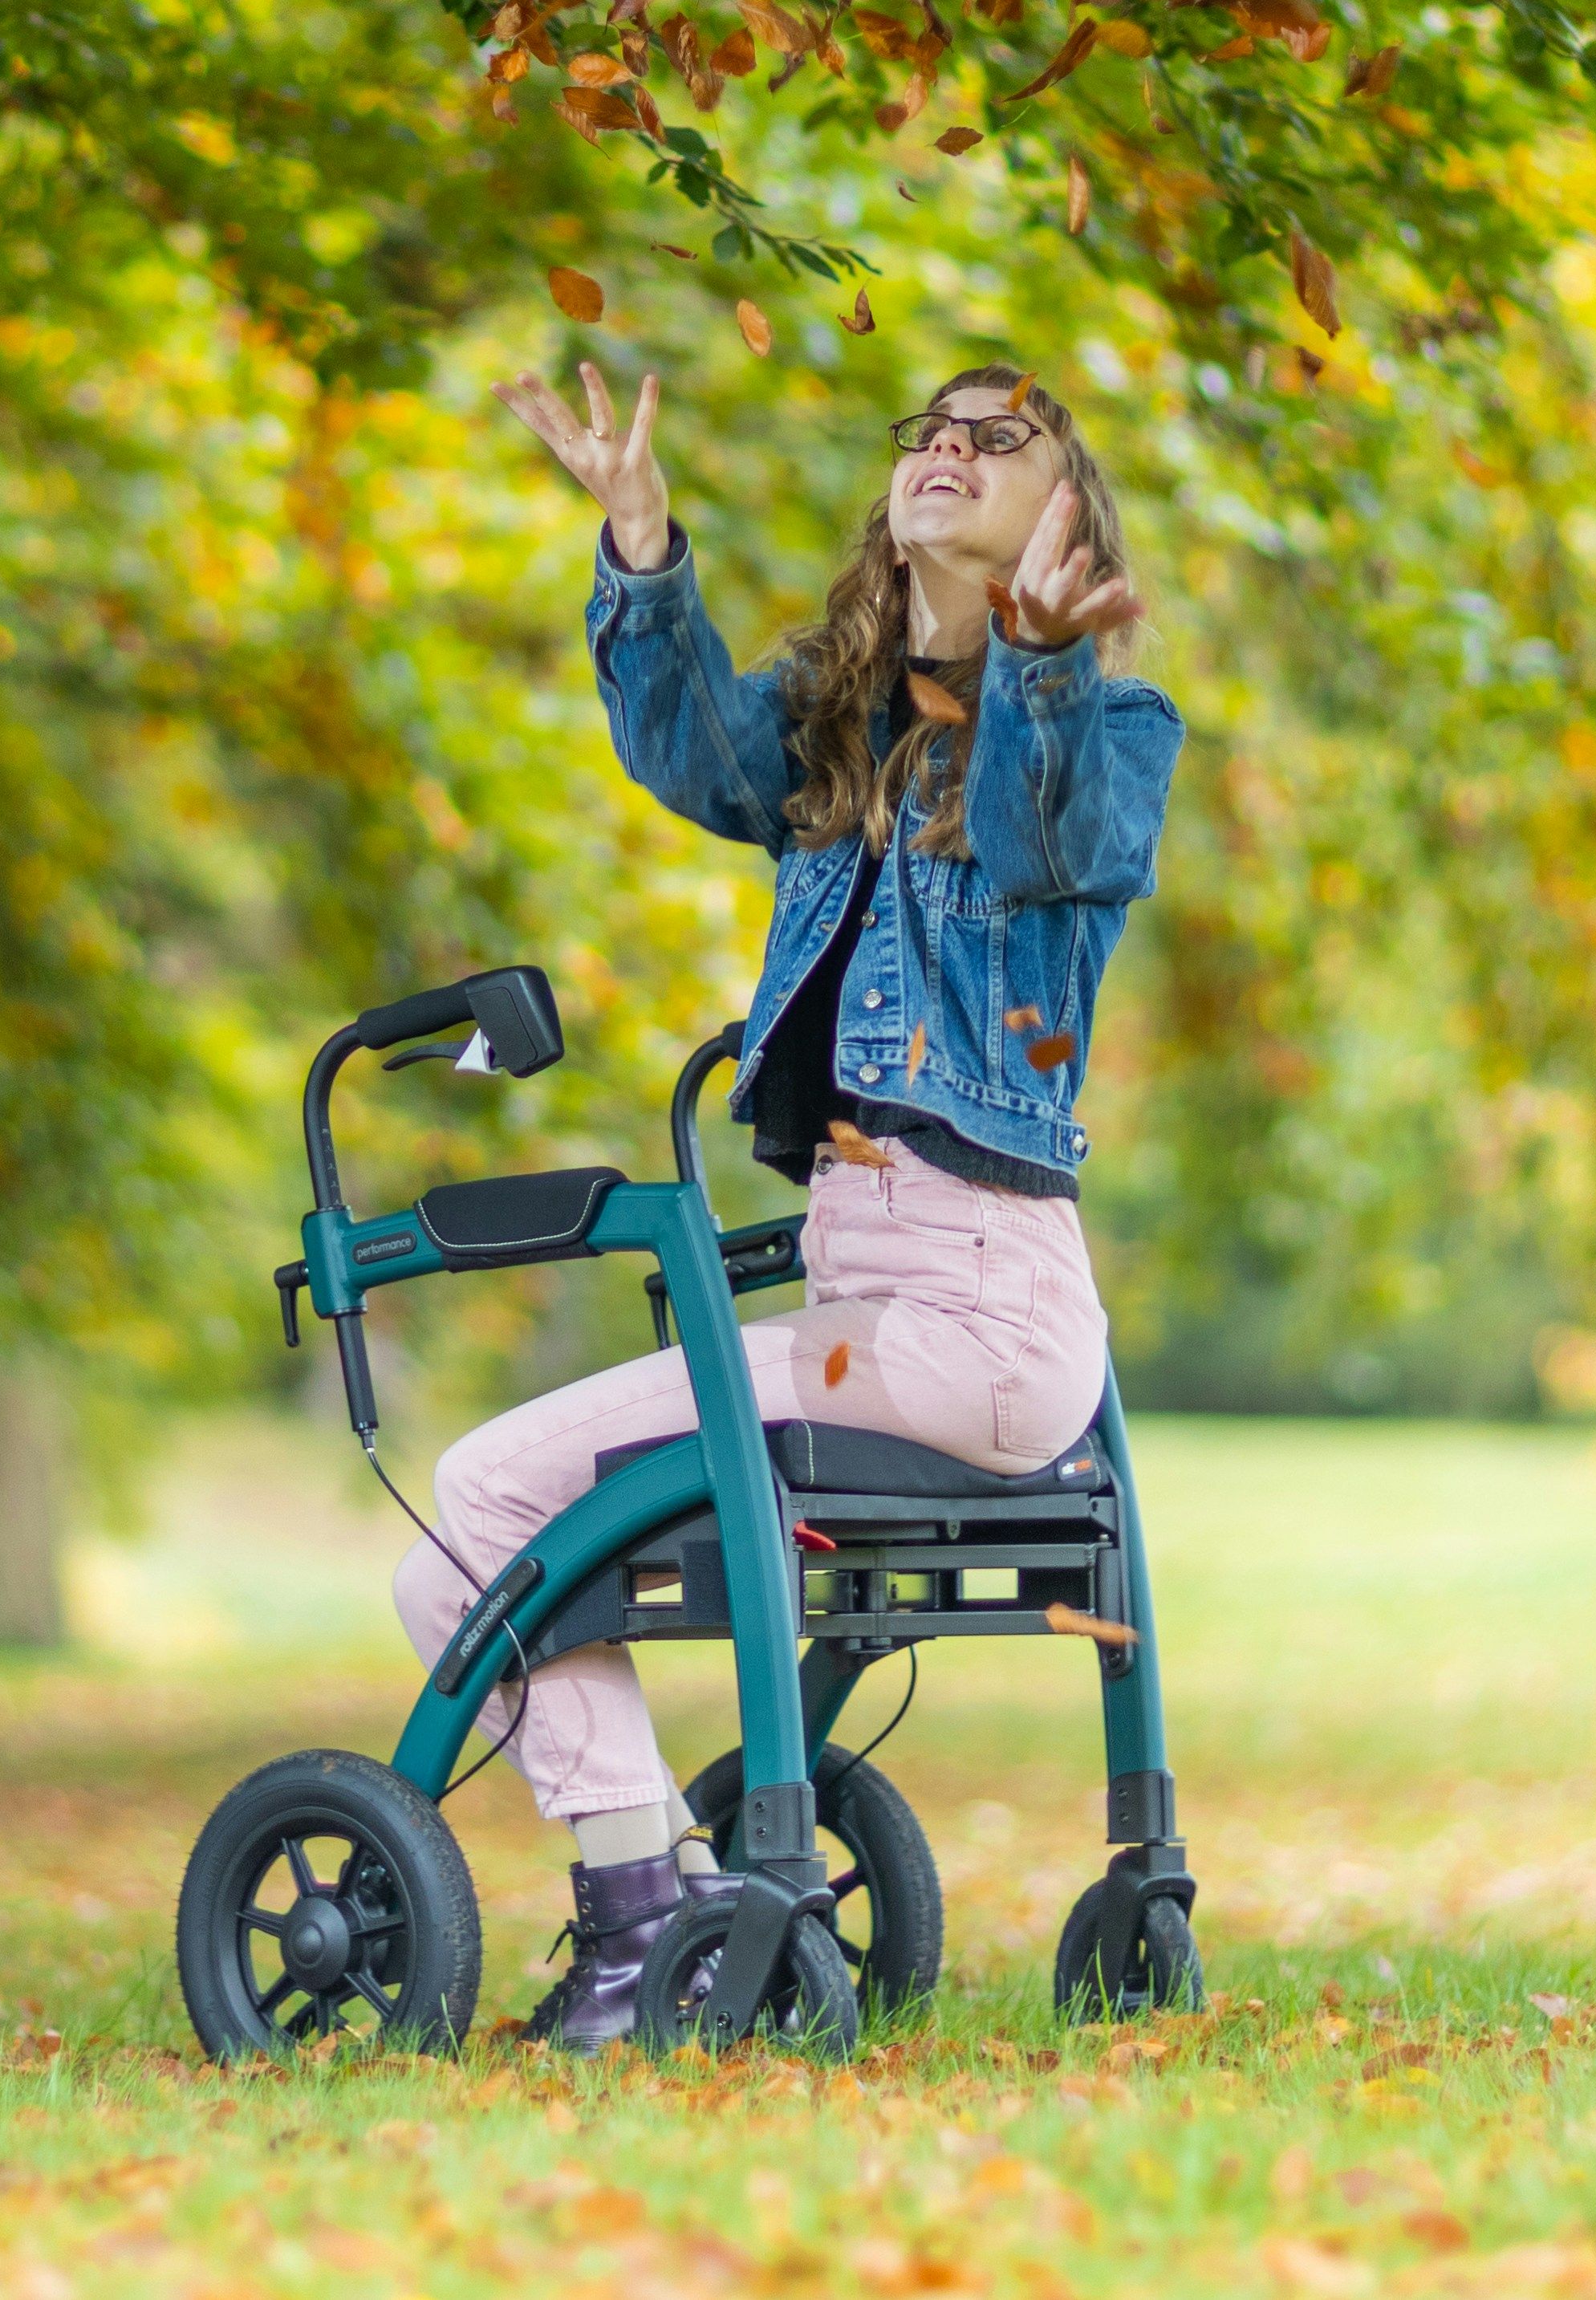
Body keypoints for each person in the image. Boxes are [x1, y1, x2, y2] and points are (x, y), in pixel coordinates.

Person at [410, 356, 1179, 2047]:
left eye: (999, 440)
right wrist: (636, 536)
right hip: (875, 1316)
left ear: (1061, 511)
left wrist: (1039, 663)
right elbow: (687, 746)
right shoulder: (834, 728)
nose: (945, 454)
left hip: (974, 1308)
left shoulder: (1106, 728)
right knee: (487, 1531)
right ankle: (659, 1896)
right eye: (929, 433)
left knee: (471, 1496)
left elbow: (1052, 843)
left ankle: (637, 1911)